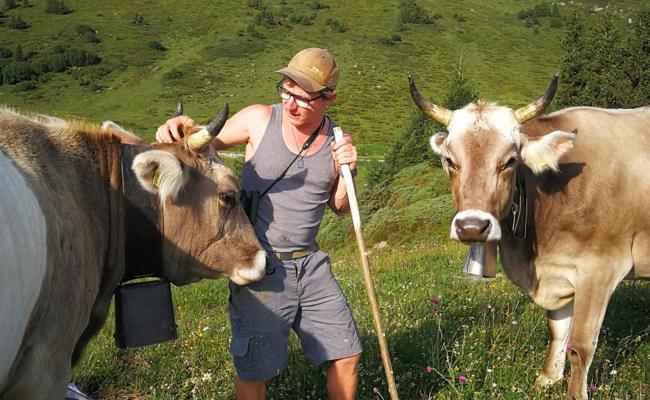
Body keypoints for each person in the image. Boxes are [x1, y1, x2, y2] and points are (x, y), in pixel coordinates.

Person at [156, 48, 361, 400]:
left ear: (329, 98)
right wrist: (179, 128)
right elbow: (202, 143)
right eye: (286, 91)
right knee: (254, 370)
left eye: (303, 98)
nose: (291, 104)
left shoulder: (337, 141)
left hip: (312, 265)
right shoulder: (259, 119)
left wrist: (348, 171)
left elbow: (341, 207)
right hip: (260, 265)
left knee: (347, 354)